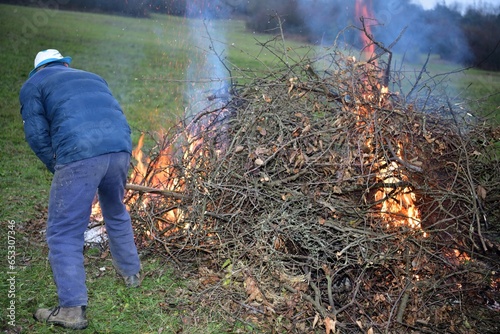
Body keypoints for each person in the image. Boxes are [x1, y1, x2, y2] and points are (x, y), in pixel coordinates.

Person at [19, 49, 142, 330]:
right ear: (64, 63)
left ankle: (72, 309)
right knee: (115, 211)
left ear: (38, 69)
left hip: (80, 153)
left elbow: (36, 135)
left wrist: (60, 166)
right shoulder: (93, 76)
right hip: (120, 148)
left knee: (63, 231)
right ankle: (132, 274)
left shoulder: (34, 85)